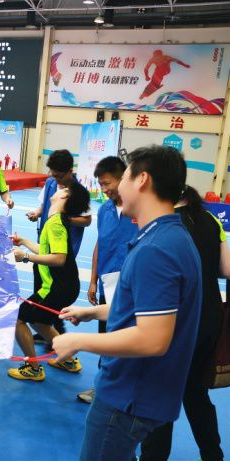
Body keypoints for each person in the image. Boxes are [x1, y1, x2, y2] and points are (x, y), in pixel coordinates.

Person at [54, 145, 202, 461]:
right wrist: (93, 312)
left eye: (124, 177)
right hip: (139, 393)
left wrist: (77, 342)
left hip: (128, 396)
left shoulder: (156, 249)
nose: (117, 187)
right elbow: (144, 307)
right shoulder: (169, 236)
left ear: (142, 180)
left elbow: (152, 338)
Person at [139, 185, 227, 461]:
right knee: (195, 391)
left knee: (160, 391)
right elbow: (226, 269)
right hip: (209, 319)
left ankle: (153, 457)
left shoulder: (164, 226)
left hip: (176, 320)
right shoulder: (211, 221)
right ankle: (213, 454)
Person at [8, 182, 90, 381]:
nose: (59, 189)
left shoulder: (56, 223)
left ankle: (33, 368)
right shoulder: (55, 220)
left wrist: (26, 257)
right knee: (40, 321)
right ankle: (67, 359)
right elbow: (47, 250)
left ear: (65, 197)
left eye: (64, 189)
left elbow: (59, 258)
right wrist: (25, 242)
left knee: (19, 318)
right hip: (65, 286)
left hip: (57, 288)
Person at [77, 156, 138, 404]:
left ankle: (125, 390)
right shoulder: (104, 210)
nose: (103, 189)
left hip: (133, 289)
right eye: (100, 184)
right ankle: (102, 388)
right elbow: (100, 245)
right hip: (107, 287)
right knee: (106, 338)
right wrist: (93, 280)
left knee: (128, 341)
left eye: (106, 183)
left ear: (123, 178)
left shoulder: (139, 209)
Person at [27, 149, 92, 255]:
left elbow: (87, 220)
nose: (56, 179)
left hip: (65, 248)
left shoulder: (79, 192)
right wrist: (37, 213)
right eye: (53, 175)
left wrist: (64, 220)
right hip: (46, 241)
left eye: (59, 176)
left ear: (70, 171)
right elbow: (44, 205)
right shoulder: (50, 183)